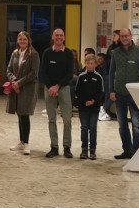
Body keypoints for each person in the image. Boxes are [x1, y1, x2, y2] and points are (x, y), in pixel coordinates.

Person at [109, 28, 139, 160]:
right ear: (119, 38)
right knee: (122, 125)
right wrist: (111, 90)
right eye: (122, 36)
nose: (124, 38)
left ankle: (137, 153)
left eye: (126, 36)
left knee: (137, 125)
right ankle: (127, 150)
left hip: (135, 95)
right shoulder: (115, 52)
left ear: (131, 36)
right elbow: (111, 73)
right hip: (119, 94)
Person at [39, 28, 75, 159]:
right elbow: (43, 72)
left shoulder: (69, 53)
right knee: (51, 119)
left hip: (64, 88)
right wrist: (51, 87)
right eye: (56, 35)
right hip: (49, 89)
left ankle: (67, 147)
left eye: (61, 35)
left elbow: (70, 73)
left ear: (64, 38)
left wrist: (58, 86)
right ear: (53, 37)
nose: (59, 37)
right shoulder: (47, 53)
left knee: (67, 119)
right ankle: (54, 147)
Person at [6, 31, 39, 156]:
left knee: (25, 115)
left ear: (28, 40)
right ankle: (21, 141)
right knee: (19, 114)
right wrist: (13, 80)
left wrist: (19, 83)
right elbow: (9, 69)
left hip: (28, 89)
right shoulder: (15, 53)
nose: (22, 41)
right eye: (20, 39)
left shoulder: (33, 54)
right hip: (16, 87)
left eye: (25, 39)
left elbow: (34, 73)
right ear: (17, 41)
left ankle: (26, 143)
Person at [76, 53, 104, 160]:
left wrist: (94, 101)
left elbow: (101, 92)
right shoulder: (81, 77)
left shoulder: (99, 77)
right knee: (84, 128)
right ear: (85, 64)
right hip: (83, 107)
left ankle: (92, 149)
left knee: (93, 128)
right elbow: (78, 91)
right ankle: (84, 149)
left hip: (94, 107)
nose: (90, 65)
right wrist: (84, 101)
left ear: (95, 64)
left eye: (92, 63)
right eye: (88, 63)